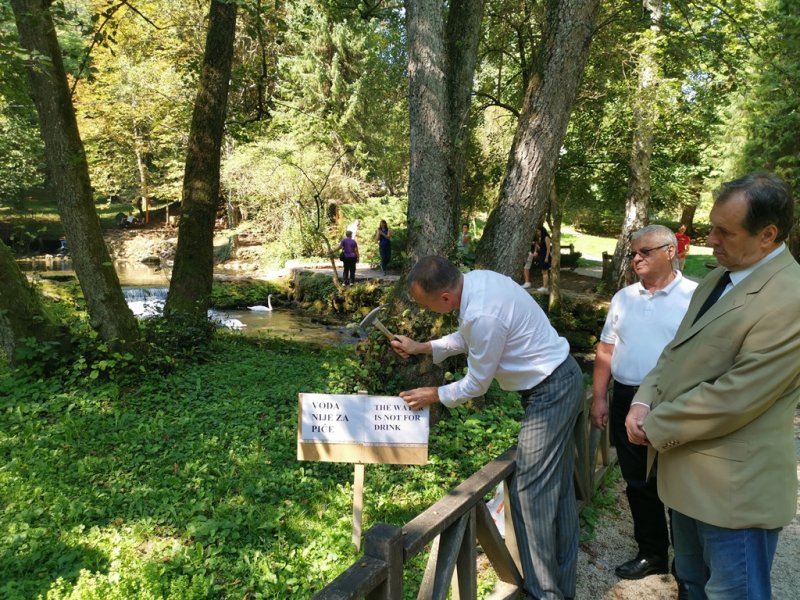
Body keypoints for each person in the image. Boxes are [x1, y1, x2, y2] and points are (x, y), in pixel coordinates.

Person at [625, 172, 800, 600]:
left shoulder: (790, 297)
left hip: (733, 492)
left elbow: (736, 396)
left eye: (725, 230)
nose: (710, 238)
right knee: (692, 585)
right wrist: (642, 400)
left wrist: (655, 425)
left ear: (768, 235)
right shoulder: (716, 278)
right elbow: (675, 352)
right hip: (688, 477)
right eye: (712, 225)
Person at [391, 256, 584, 600]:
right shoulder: (477, 281)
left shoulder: (482, 314)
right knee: (558, 490)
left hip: (550, 391)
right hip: (561, 378)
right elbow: (469, 338)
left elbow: (477, 383)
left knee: (529, 496)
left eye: (427, 305)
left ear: (446, 298)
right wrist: (423, 347)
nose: (427, 311)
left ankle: (545, 594)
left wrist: (434, 394)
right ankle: (562, 590)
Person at [591, 225, 697, 585]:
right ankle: (653, 553)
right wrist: (599, 397)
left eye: (644, 252)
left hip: (675, 401)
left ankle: (689, 563)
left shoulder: (696, 297)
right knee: (638, 482)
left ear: (670, 251)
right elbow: (606, 349)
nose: (635, 258)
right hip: (625, 396)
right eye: (633, 253)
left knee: (682, 480)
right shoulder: (624, 297)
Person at [537, 224, 552, 293]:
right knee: (543, 271)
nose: (538, 233)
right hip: (541, 255)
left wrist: (546, 257)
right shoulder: (541, 238)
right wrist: (537, 246)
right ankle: (545, 286)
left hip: (545, 255)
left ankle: (545, 287)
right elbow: (541, 248)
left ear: (542, 231)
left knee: (545, 271)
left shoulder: (546, 237)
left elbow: (548, 249)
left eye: (539, 231)